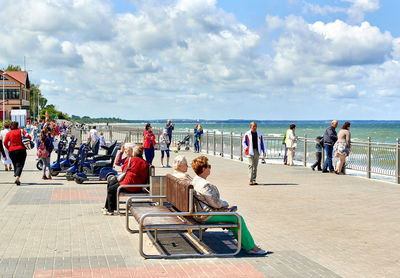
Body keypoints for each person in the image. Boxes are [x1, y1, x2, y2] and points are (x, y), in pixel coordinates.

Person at [191, 156, 267, 255]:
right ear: (203, 169)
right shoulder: (204, 185)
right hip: (206, 215)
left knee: (233, 216)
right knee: (237, 218)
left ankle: (246, 243)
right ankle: (251, 247)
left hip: (199, 212)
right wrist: (225, 204)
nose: (210, 168)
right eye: (208, 166)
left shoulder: (195, 180)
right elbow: (216, 203)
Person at [103, 144, 149, 215]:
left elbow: (124, 170)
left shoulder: (130, 159)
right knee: (111, 183)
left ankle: (110, 210)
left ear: (134, 152)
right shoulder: (144, 162)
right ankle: (108, 207)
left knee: (111, 189)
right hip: (138, 184)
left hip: (129, 185)